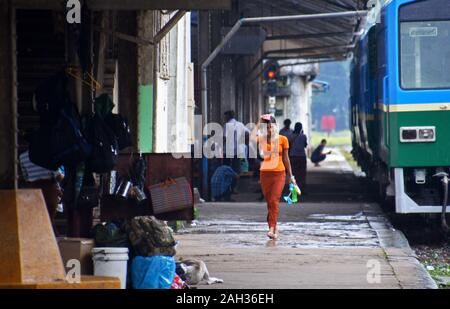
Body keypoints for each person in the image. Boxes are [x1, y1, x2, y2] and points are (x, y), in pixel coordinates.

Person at [251, 114, 296, 240]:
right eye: (267, 128)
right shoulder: (263, 138)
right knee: (269, 202)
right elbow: (251, 138)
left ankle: (271, 228)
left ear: (276, 126)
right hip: (265, 174)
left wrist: (290, 175)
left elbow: (286, 158)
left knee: (274, 200)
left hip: (279, 173)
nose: (269, 130)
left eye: (271, 127)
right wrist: (259, 122)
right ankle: (274, 226)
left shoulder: (283, 139)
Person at [223, 110, 250, 175]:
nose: (224, 118)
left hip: (231, 151)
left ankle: (232, 181)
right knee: (241, 166)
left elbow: (225, 138)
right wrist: (245, 141)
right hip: (241, 149)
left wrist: (218, 145)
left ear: (228, 116)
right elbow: (247, 132)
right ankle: (242, 179)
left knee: (228, 167)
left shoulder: (227, 125)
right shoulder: (240, 124)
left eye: (225, 116)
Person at [289, 122, 308, 194]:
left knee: (294, 174)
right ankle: (301, 189)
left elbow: (289, 146)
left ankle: (293, 190)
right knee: (302, 174)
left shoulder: (291, 136)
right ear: (301, 128)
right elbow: (305, 145)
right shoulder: (303, 136)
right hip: (302, 156)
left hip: (293, 156)